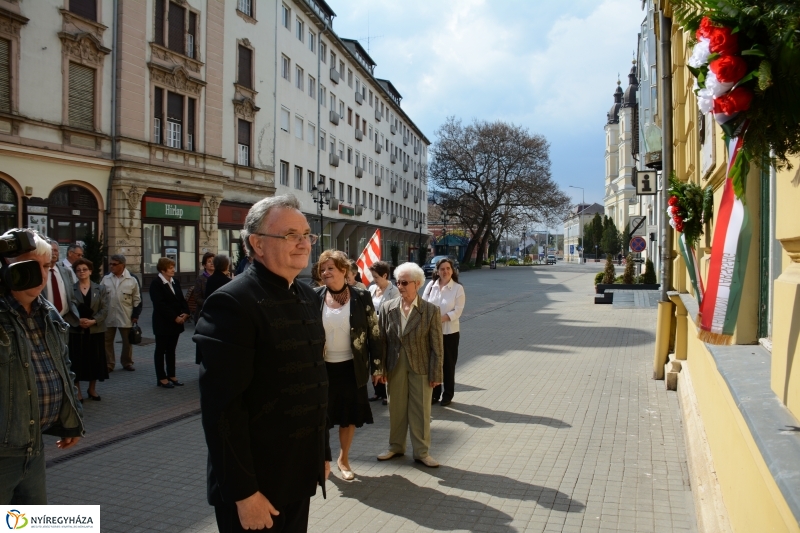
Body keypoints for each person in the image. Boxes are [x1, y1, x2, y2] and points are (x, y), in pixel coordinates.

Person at [196, 195, 331, 533]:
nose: (304, 243)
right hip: (255, 486)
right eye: (291, 235)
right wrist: (243, 494)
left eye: (307, 235)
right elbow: (222, 410)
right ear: (257, 243)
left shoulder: (307, 296)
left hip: (299, 475)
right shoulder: (232, 302)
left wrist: (322, 452)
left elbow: (315, 382)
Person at [0, 229, 84, 504]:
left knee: (31, 521)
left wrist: (71, 422)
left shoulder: (48, 313)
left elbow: (64, 368)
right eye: (29, 266)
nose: (41, 275)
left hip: (34, 447)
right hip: (3, 453)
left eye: (46, 266)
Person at [315, 250, 383, 482]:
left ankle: (343, 459)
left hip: (351, 369)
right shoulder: (314, 296)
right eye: (322, 269)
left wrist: (377, 367)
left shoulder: (361, 296)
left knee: (348, 416)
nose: (325, 273)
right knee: (320, 418)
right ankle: (323, 460)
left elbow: (374, 332)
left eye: (330, 268)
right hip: (321, 369)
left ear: (344, 270)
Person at [376, 262, 444, 468]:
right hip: (394, 365)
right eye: (398, 282)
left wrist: (436, 373)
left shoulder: (430, 310)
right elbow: (381, 341)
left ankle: (422, 452)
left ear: (418, 284)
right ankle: (396, 446)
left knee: (420, 410)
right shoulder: (388, 307)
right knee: (395, 408)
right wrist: (379, 368)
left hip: (421, 366)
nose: (400, 286)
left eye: (405, 283)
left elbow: (437, 346)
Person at [422, 258, 466, 407]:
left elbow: (458, 311)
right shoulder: (431, 286)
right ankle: (434, 394)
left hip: (449, 333)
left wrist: (439, 319)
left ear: (452, 270)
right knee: (434, 364)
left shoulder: (457, 288)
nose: (445, 271)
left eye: (448, 268)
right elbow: (423, 305)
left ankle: (447, 394)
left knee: (448, 364)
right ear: (437, 271)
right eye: (442, 269)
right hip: (431, 332)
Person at [65, 258, 108, 402]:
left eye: (84, 269)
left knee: (95, 360)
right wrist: (77, 321)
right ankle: (77, 391)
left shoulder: (100, 289)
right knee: (77, 361)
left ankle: (92, 389)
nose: (81, 272)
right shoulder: (70, 289)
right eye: (78, 270)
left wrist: (93, 321)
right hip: (77, 331)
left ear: (90, 271)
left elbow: (105, 309)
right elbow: (68, 308)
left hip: (95, 330)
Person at [149, 257, 190, 389]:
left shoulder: (175, 282)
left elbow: (181, 299)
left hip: (176, 323)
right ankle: (161, 377)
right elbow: (160, 305)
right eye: (170, 268)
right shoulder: (156, 284)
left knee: (171, 350)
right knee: (161, 350)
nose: (173, 270)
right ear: (163, 270)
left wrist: (186, 312)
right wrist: (174, 317)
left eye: (173, 267)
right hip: (163, 323)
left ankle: (171, 375)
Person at [101, 254, 142, 372]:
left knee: (127, 341)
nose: (111, 266)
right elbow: (100, 297)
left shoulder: (132, 279)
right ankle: (109, 364)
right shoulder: (106, 278)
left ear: (122, 265)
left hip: (126, 315)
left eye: (114, 264)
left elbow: (137, 299)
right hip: (109, 315)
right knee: (107, 341)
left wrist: (136, 315)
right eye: (110, 264)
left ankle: (127, 362)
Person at [366, 261, 398, 405]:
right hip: (372, 331)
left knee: (385, 359)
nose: (374, 280)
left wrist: (375, 318)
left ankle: (387, 392)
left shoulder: (394, 291)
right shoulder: (372, 288)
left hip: (386, 331)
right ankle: (377, 391)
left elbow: (394, 312)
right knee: (375, 359)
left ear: (385, 275)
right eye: (373, 276)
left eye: (376, 277)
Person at [45, 240, 76, 317]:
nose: (53, 253)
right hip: (45, 319)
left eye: (56, 250)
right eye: (51, 250)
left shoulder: (66, 272)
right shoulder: (40, 272)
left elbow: (72, 297)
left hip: (65, 318)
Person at [192, 252, 215, 322]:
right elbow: (197, 298)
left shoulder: (218, 278)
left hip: (215, 314)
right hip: (203, 314)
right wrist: (209, 303)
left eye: (213, 261)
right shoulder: (200, 279)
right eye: (209, 261)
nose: (212, 263)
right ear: (204, 265)